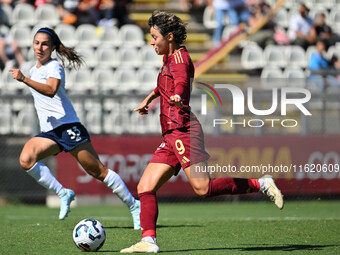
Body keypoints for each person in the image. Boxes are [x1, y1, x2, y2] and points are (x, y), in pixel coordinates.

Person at [120, 11, 283, 253]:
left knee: (202, 189)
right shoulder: (169, 58)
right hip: (171, 135)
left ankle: (260, 184)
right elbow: (163, 84)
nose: (152, 41)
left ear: (170, 37)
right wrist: (149, 100)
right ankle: (149, 241)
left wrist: (177, 96)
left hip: (184, 131)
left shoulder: (180, 60)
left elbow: (182, 82)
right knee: (145, 187)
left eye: (155, 37)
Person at [8, 27, 141, 229]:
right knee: (26, 159)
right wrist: (27, 76)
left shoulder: (54, 67)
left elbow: (51, 90)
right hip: (51, 132)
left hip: (68, 127)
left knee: (97, 171)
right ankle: (63, 193)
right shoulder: (34, 70)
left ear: (52, 47)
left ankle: (134, 206)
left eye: (44, 44)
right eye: (36, 43)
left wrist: (24, 79)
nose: (40, 47)